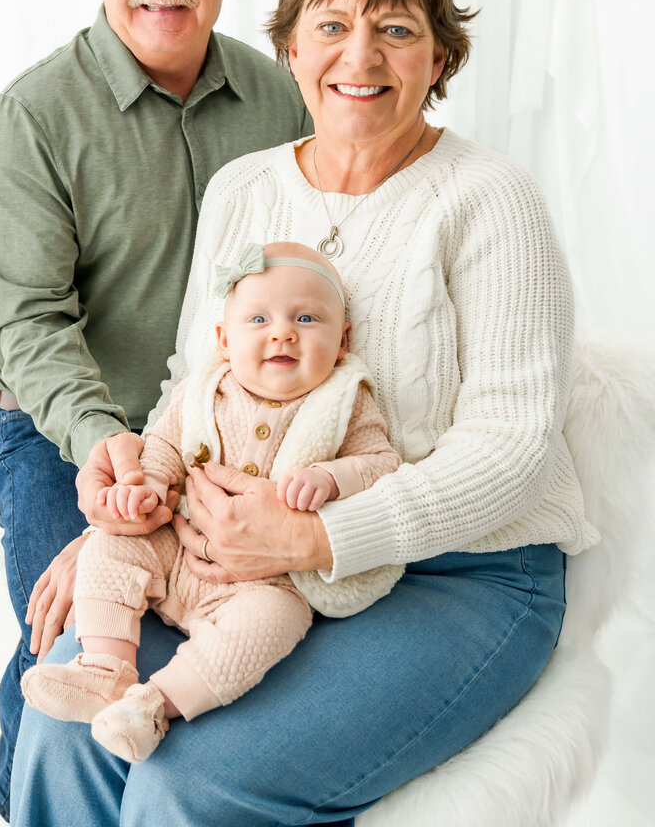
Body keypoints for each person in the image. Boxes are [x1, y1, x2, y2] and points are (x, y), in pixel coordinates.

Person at [10, 0, 599, 827]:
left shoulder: (491, 202)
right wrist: (139, 504)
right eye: (333, 25)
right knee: (55, 733)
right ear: (291, 48)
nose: (358, 59)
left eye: (396, 30)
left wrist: (322, 541)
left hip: (462, 576)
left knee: (188, 781)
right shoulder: (244, 190)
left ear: (439, 58)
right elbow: (192, 387)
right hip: (237, 563)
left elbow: (514, 447)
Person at [0, 0, 310, 820]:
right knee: (69, 637)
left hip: (211, 431)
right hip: (61, 428)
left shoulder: (278, 100)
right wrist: (109, 476)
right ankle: (20, 790)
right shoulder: (27, 123)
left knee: (228, 638)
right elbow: (30, 327)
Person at [20, 242, 402, 762]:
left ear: (342, 341)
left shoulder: (344, 402)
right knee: (107, 549)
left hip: (264, 581)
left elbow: (382, 463)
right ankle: (104, 669)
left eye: (307, 318)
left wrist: (332, 478)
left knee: (274, 624)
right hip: (172, 547)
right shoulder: (203, 391)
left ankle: (153, 705)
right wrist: (146, 489)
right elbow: (162, 447)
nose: (283, 332)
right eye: (259, 318)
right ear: (223, 340)